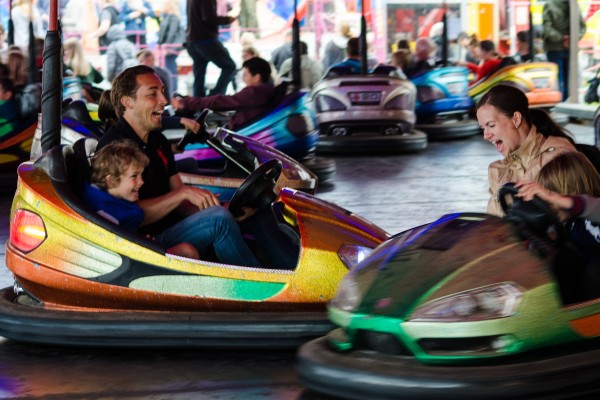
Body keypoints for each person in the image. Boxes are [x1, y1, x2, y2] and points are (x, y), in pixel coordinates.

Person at [96, 65, 262, 267]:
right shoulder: (114, 147)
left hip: (172, 226)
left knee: (255, 212)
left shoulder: (158, 141)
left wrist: (225, 208)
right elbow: (125, 216)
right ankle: (266, 291)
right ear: (128, 102)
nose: (164, 101)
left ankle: (288, 273)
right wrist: (184, 196)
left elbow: (181, 201)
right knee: (219, 221)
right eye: (152, 94)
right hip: (142, 243)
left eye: (162, 91)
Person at [84, 140, 199, 259]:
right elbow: (116, 252)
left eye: (141, 175)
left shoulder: (111, 195)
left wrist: (141, 240)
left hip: (137, 246)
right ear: (111, 180)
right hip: (130, 261)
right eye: (134, 176)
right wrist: (142, 243)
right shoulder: (103, 213)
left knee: (187, 249)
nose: (141, 182)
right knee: (188, 251)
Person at [476, 84, 578, 217]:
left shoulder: (558, 156)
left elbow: (573, 220)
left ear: (516, 119)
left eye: (491, 125)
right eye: (483, 128)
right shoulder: (497, 170)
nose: (486, 135)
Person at [515, 152, 600, 300]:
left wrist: (557, 199)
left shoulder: (592, 214)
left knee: (595, 271)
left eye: (550, 200)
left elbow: (593, 208)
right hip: (578, 288)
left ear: (572, 194)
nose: (549, 206)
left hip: (594, 282)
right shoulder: (561, 224)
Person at [171, 57, 276, 130]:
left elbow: (220, 101)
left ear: (257, 77)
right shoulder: (265, 91)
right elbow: (232, 100)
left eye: (246, 75)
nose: (244, 79)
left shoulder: (255, 92)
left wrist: (186, 103)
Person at [186, 0, 237, 97]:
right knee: (230, 67)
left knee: (199, 76)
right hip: (205, 40)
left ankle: (198, 104)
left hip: (192, 40)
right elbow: (208, 17)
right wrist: (228, 20)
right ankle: (214, 97)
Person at [542, 0, 586, 101]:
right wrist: (572, 39)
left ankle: (560, 103)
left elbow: (547, 29)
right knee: (569, 80)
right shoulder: (573, 4)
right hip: (571, 48)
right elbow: (582, 27)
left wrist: (563, 39)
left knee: (557, 80)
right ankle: (568, 103)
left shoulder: (549, 4)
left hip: (554, 48)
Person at [157, 0, 185, 92]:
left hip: (171, 48)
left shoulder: (173, 16)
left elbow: (172, 32)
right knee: (169, 68)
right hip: (168, 47)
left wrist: (166, 46)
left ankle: (172, 91)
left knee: (170, 69)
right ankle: (171, 90)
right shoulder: (168, 16)